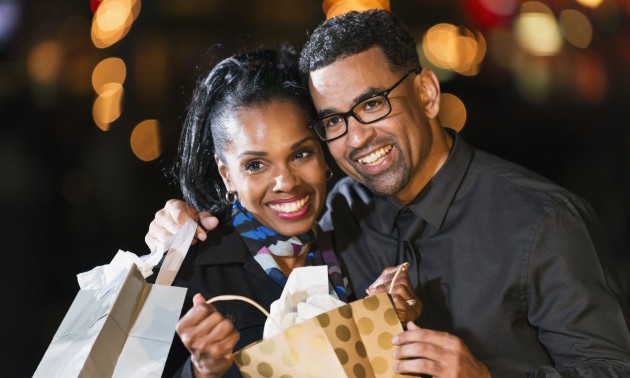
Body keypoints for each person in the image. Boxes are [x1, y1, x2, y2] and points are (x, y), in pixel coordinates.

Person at [148, 10, 630, 377]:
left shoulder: (543, 222)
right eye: (335, 121)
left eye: (373, 105)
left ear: (426, 94)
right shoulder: (340, 215)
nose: (356, 139)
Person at [152, 46, 420, 378]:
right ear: (226, 174)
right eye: (255, 165)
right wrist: (200, 371)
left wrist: (396, 319)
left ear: (322, 154)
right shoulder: (184, 270)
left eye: (300, 154)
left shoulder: (355, 243)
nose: (286, 182)